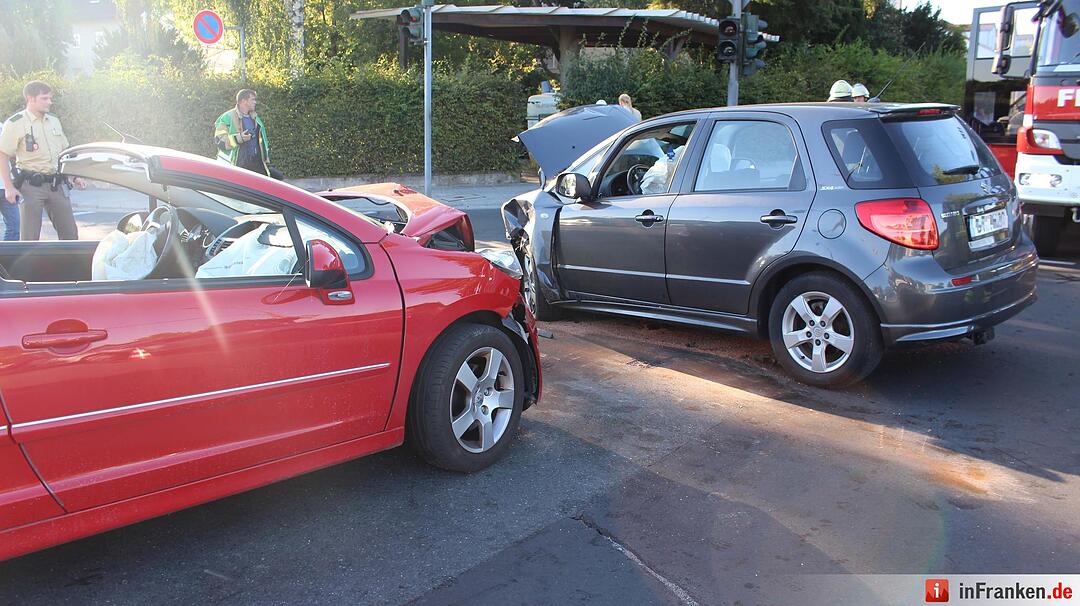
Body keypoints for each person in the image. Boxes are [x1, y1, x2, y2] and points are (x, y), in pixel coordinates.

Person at [0, 80, 83, 241]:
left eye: (50, 98)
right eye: (44, 98)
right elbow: (3, 155)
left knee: (70, 235)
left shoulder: (54, 121)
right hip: (31, 186)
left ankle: (69, 266)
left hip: (56, 184)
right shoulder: (15, 123)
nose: (49, 102)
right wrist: (9, 187)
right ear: (30, 99)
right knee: (29, 239)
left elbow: (65, 152)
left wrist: (75, 176)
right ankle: (28, 267)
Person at [214, 89, 276, 178]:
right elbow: (219, 141)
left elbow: (263, 142)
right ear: (243, 101)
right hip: (236, 167)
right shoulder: (227, 117)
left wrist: (266, 161)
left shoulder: (256, 118)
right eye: (253, 99)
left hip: (256, 164)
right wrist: (239, 138)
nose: (255, 102)